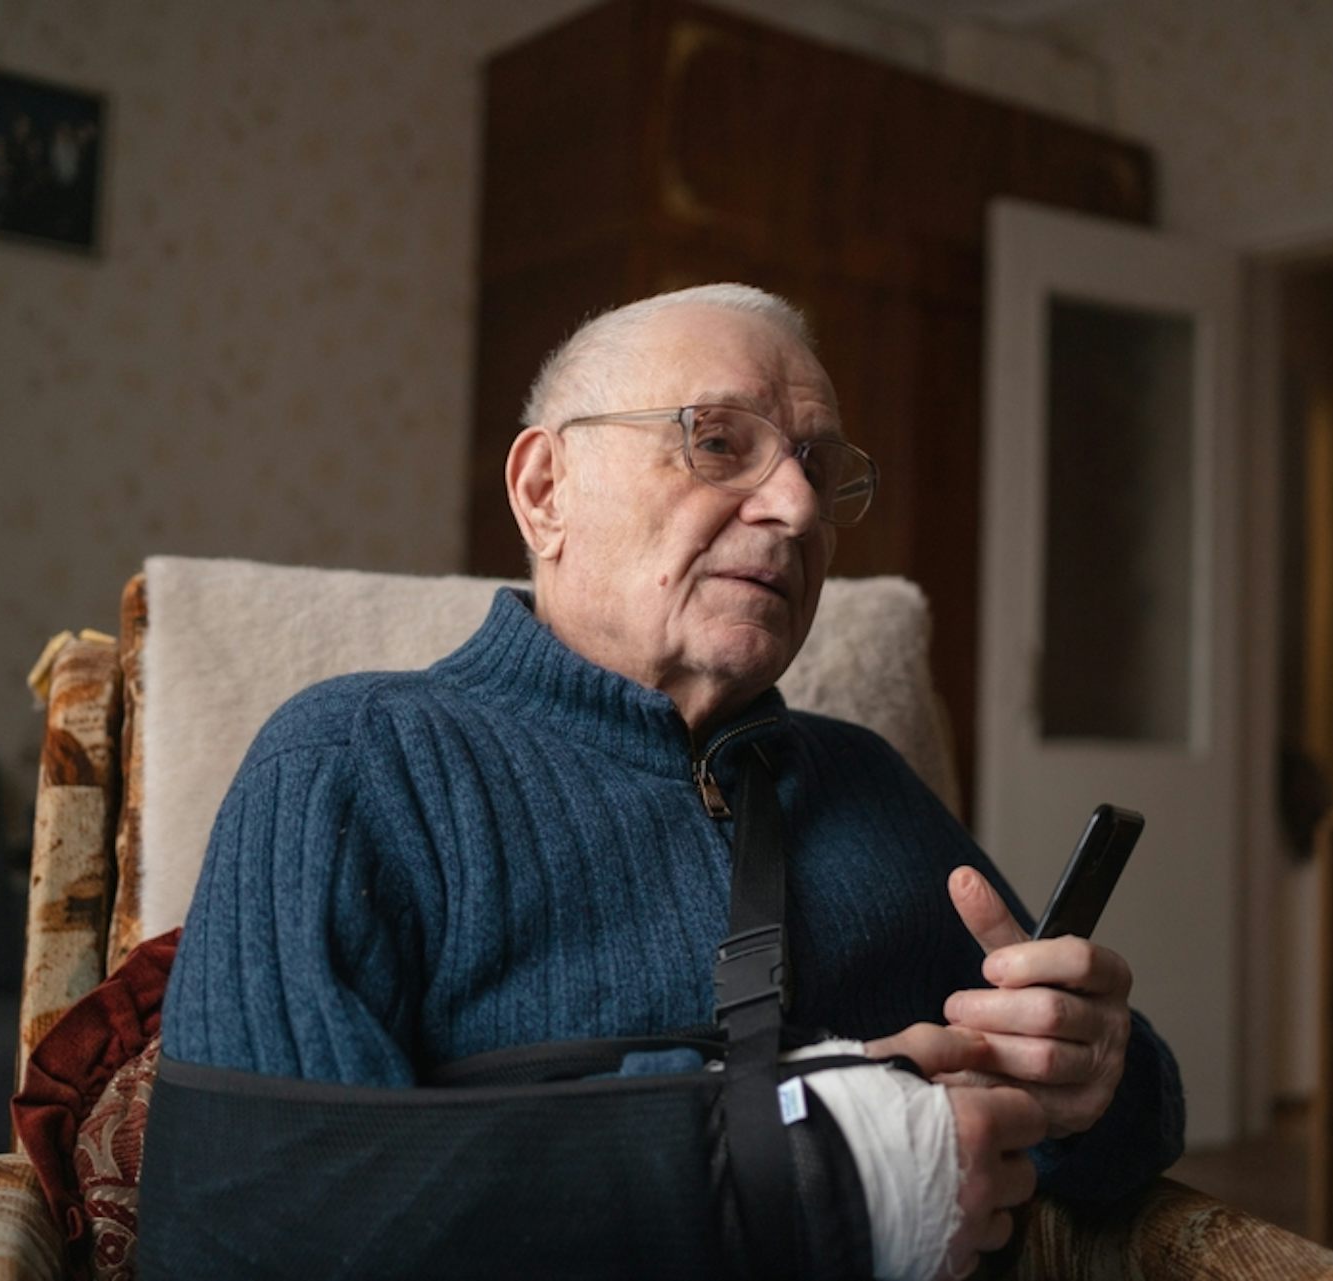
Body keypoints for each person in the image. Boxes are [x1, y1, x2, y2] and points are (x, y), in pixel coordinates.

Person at [161, 283, 1184, 1279]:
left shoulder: (868, 782)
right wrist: (811, 1171)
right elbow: (238, 1216)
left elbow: (1105, 1124)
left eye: (819, 468)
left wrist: (1100, 1078)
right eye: (719, 442)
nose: (796, 508)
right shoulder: (351, 761)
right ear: (545, 491)